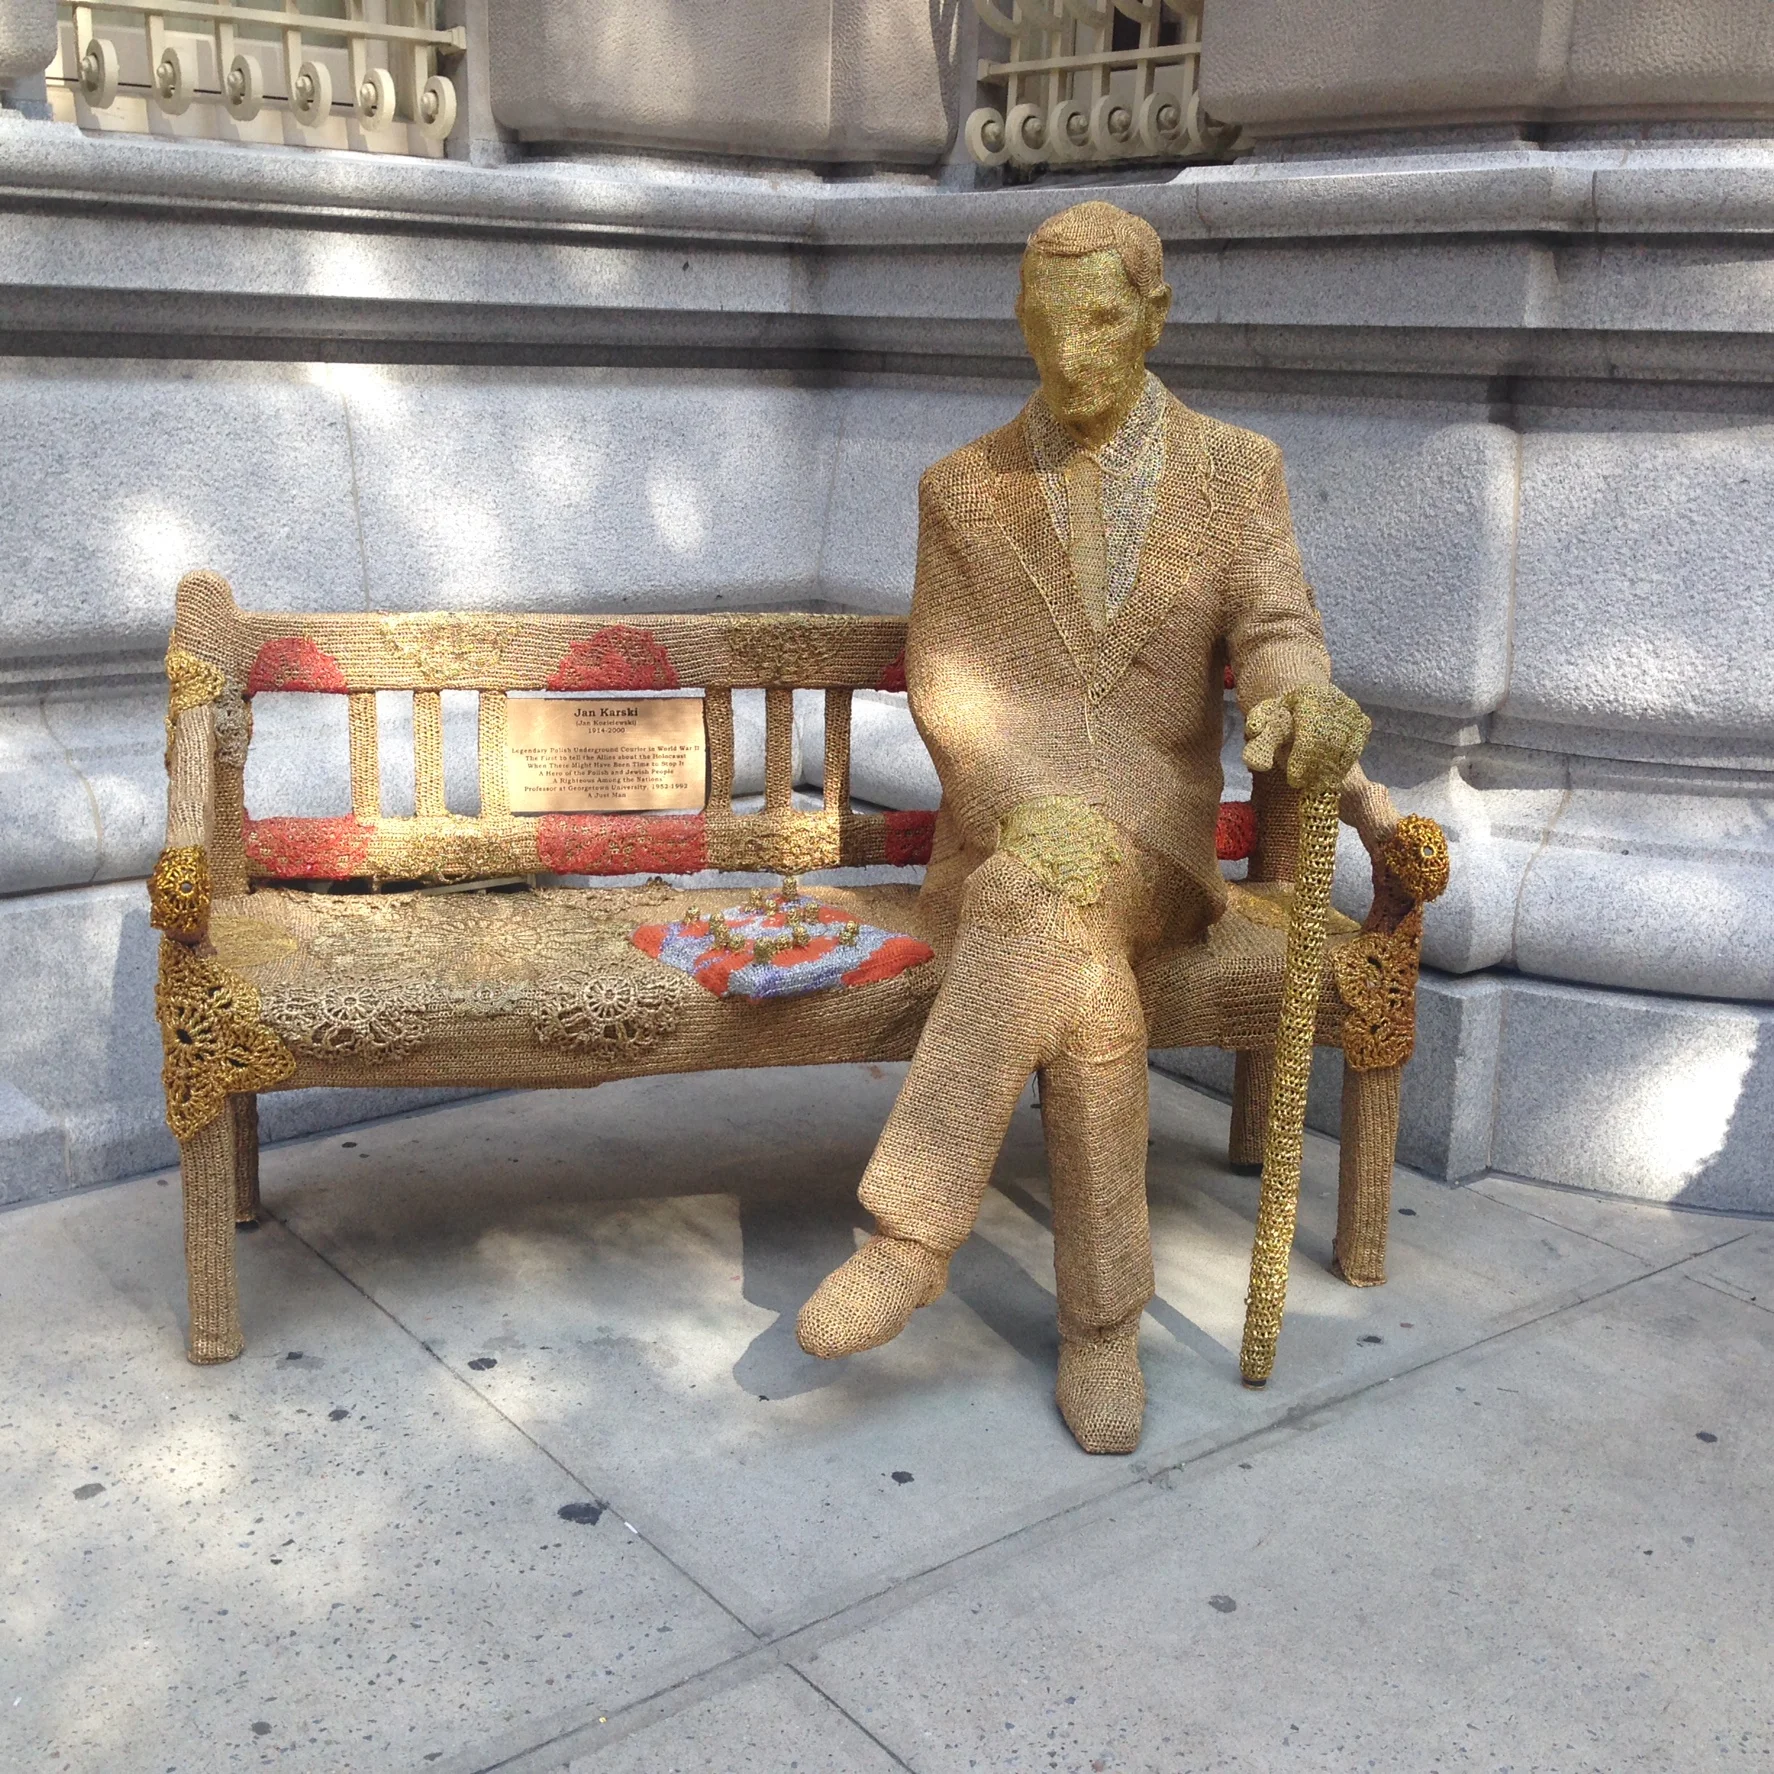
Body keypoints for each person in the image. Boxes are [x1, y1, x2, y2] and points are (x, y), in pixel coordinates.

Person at [796, 200, 1377, 1454]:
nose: (1074, 354)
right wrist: (1017, 805)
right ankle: (1102, 1329)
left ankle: (909, 1235)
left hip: (1158, 845)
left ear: (1154, 317)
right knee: (1062, 952)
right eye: (1049, 324)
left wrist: (1301, 700)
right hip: (1013, 837)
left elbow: (1275, 628)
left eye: (1104, 321)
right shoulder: (962, 491)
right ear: (1020, 320)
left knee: (1046, 909)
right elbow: (945, 677)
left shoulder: (1236, 474)